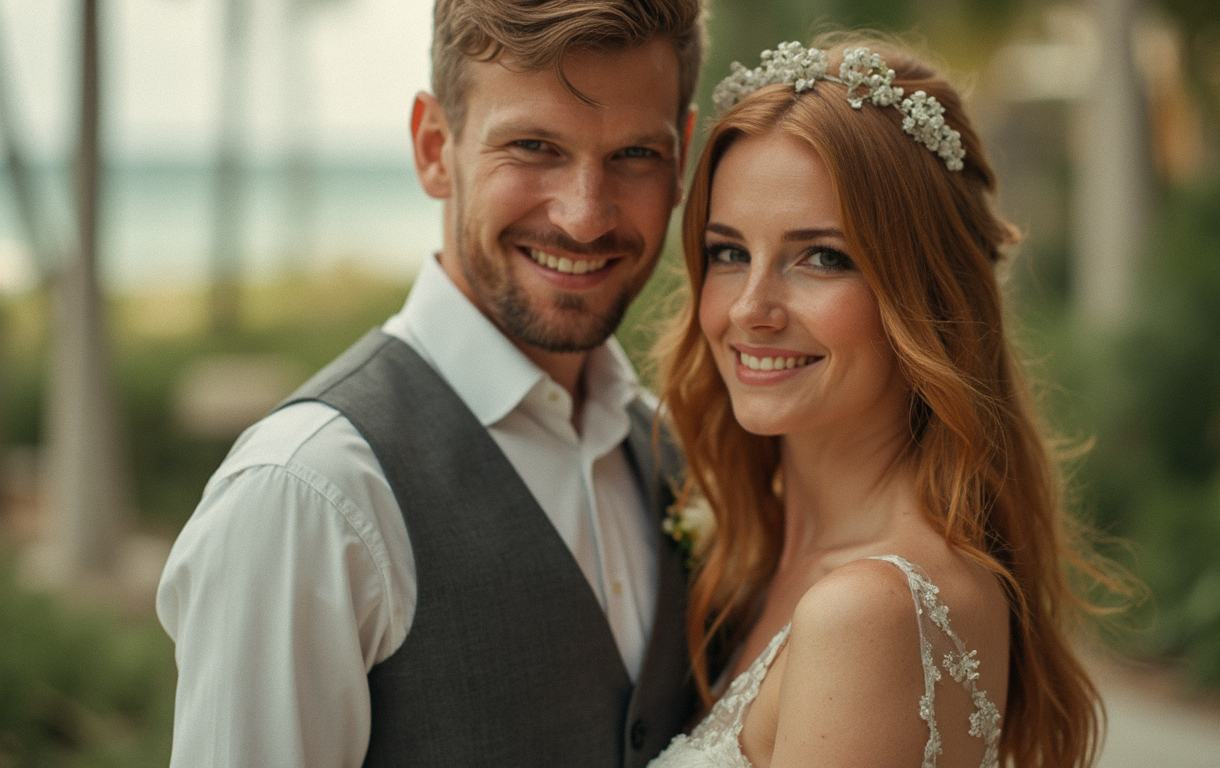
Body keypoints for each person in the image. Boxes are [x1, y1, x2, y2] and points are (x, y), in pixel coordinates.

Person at [156, 2, 705, 766]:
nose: (585, 216)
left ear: (680, 163)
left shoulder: (674, 456)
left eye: (635, 154)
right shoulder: (306, 494)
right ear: (434, 148)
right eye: (534, 146)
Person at [649, 37, 1117, 768]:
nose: (751, 309)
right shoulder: (763, 560)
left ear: (923, 294)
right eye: (728, 251)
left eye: (822, 257)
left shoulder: (870, 612)